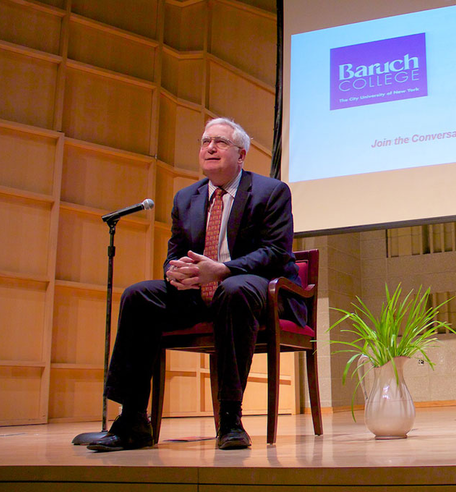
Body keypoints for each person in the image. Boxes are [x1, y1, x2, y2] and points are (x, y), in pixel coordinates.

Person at [88, 117, 305, 451]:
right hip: (196, 293)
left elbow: (276, 252)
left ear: (242, 155)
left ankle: (230, 418)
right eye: (205, 141)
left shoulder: (270, 192)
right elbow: (175, 252)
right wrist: (173, 272)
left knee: (234, 291)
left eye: (220, 141)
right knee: (138, 296)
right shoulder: (185, 198)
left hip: (252, 291)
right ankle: (132, 419)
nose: (210, 147)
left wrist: (223, 270)